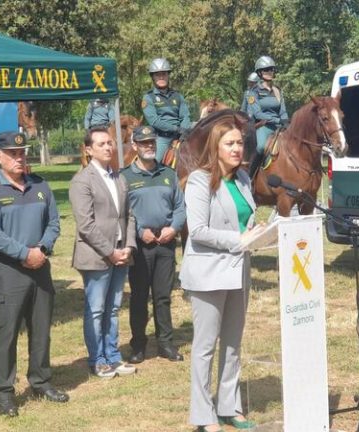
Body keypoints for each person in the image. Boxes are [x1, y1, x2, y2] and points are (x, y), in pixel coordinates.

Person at [0, 131, 68, 417]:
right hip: (8, 271)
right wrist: (24, 253)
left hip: (40, 267)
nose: (19, 158)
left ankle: (41, 381)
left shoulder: (40, 185)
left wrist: (42, 248)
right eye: (12, 154)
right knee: (7, 333)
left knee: (41, 329)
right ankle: (3, 392)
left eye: (22, 152)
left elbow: (53, 223)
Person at [179, 116, 258, 432]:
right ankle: (203, 415)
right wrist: (238, 240)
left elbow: (244, 221)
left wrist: (257, 232)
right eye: (231, 143)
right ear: (216, 147)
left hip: (239, 272)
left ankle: (229, 406)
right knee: (205, 346)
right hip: (209, 272)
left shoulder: (244, 180)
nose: (238, 148)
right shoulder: (199, 181)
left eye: (240, 143)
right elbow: (197, 230)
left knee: (233, 343)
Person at [69, 127, 138, 379]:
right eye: (101, 144)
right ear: (88, 150)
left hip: (121, 253)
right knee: (96, 309)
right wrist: (110, 252)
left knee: (113, 308)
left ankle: (113, 355)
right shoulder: (82, 181)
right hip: (97, 256)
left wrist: (128, 246)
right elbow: (85, 225)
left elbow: (129, 215)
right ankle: (97, 359)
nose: (108, 147)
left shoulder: (119, 177)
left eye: (110, 143)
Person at [120, 126, 186, 364]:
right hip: (140, 245)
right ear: (135, 146)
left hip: (166, 242)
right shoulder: (125, 177)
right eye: (144, 142)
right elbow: (123, 213)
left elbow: (180, 206)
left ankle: (165, 344)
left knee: (163, 296)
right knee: (138, 297)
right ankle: (138, 345)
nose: (149, 146)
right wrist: (139, 232)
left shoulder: (168, 174)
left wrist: (174, 227)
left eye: (152, 142)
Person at [142, 58, 192, 162]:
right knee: (154, 162)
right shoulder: (148, 98)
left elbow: (185, 116)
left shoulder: (178, 96)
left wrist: (184, 130)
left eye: (164, 74)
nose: (161, 77)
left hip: (181, 136)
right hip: (162, 138)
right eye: (157, 75)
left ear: (168, 75)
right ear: (153, 77)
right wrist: (176, 129)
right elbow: (154, 121)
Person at [246, 55, 288, 159]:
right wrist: (278, 120)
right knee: (260, 148)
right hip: (263, 126)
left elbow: (283, 111)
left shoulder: (278, 90)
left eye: (271, 69)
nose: (270, 72)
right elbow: (258, 114)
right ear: (259, 73)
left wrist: (286, 121)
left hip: (279, 127)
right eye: (266, 70)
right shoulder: (254, 91)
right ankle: (251, 174)